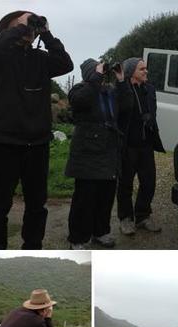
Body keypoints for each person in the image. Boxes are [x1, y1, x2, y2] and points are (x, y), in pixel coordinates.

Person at [0, 11, 73, 249]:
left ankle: (33, 246)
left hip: (38, 143)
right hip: (5, 142)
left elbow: (65, 63)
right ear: (9, 29)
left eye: (33, 24)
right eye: (26, 22)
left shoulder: (40, 59)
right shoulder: (0, 56)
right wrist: (21, 28)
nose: (31, 27)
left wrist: (46, 32)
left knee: (37, 205)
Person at [65, 59, 133, 249]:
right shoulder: (80, 90)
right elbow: (81, 101)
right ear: (90, 74)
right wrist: (95, 77)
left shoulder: (109, 91)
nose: (103, 75)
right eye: (98, 71)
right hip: (87, 153)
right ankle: (77, 239)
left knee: (105, 197)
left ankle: (100, 232)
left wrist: (121, 81)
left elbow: (127, 106)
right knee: (84, 200)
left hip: (109, 151)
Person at [116, 57, 165, 235]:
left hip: (146, 145)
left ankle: (143, 216)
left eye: (146, 68)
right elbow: (119, 112)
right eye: (142, 69)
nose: (146, 71)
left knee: (149, 182)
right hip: (128, 145)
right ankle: (126, 219)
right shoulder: (122, 89)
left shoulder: (150, 89)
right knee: (125, 184)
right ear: (131, 72)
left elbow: (153, 110)